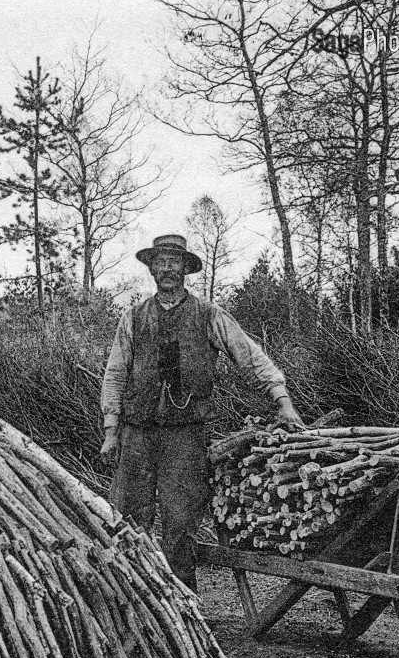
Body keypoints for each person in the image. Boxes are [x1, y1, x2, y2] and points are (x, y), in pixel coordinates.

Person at [100, 234, 303, 591]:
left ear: (185, 269)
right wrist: (111, 430)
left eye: (174, 262)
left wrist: (282, 400)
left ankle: (184, 607)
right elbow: (115, 374)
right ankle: (135, 600)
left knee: (180, 524)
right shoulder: (133, 318)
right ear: (151, 268)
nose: (167, 269)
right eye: (160, 262)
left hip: (185, 435)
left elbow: (250, 356)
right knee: (129, 520)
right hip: (137, 433)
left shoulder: (208, 315)